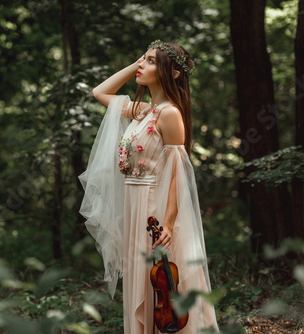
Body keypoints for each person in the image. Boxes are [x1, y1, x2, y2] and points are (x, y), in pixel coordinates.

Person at [79, 40, 219, 333]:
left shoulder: (170, 114)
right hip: (134, 208)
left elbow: (179, 172)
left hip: (153, 210)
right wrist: (139, 64)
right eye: (143, 59)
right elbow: (100, 92)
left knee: (157, 284)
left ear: (174, 74)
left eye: (151, 61)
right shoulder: (143, 112)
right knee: (141, 281)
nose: (142, 64)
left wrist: (168, 222)